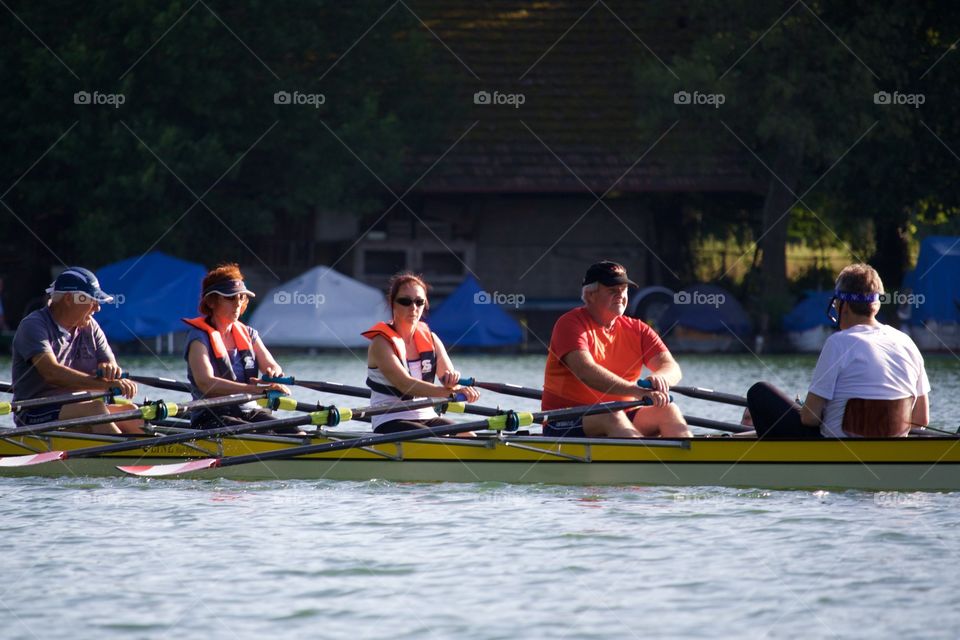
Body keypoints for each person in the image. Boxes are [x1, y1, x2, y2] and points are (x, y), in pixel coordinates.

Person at [747, 263, 930, 438]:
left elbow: (810, 418)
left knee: (759, 392)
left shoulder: (838, 343)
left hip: (837, 450)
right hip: (891, 451)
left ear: (842, 305)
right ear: (877, 305)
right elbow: (921, 420)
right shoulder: (907, 343)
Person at [542, 261, 691, 438]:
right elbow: (585, 371)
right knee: (612, 415)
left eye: (624, 289)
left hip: (622, 415)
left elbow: (671, 367)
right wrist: (635, 391)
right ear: (590, 295)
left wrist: (662, 378)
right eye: (612, 290)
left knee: (667, 410)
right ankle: (643, 461)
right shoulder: (570, 324)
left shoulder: (639, 329)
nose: (620, 295)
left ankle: (688, 462)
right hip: (565, 420)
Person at [11, 267, 140, 434]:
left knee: (131, 411)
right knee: (95, 409)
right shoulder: (34, 326)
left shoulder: (91, 327)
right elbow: (52, 373)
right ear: (68, 299)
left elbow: (110, 363)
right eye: (92, 300)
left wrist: (110, 368)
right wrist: (105, 384)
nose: (97, 308)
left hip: (78, 407)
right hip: (35, 412)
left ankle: (152, 455)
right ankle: (126, 456)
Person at [363, 271, 480, 434]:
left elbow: (450, 383)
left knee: (469, 435)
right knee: (436, 440)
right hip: (390, 420)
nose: (413, 308)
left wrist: (454, 382)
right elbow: (405, 385)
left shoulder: (431, 339)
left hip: (427, 416)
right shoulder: (381, 343)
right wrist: (451, 392)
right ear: (392, 303)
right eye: (405, 301)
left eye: (419, 302)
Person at [184, 263, 294, 432]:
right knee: (260, 435)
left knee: (296, 433)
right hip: (211, 416)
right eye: (230, 298)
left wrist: (273, 375)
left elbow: (271, 365)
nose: (237, 303)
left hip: (248, 411)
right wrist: (254, 389)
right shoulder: (199, 338)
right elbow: (206, 383)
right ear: (212, 301)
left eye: (241, 297)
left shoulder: (249, 334)